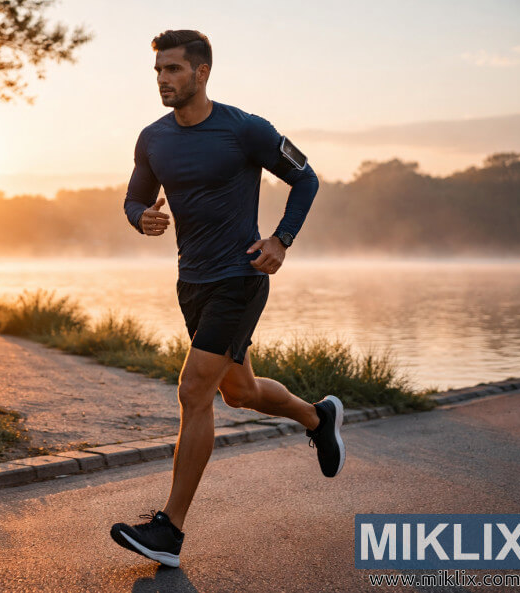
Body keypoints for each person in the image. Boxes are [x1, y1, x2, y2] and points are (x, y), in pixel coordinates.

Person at [110, 29, 345, 569]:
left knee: (195, 391)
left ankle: (168, 530)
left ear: (201, 72)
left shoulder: (245, 130)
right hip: (190, 281)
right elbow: (135, 195)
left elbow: (306, 179)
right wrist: (139, 217)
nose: (164, 79)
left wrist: (281, 239)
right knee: (239, 392)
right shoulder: (152, 138)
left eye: (173, 69)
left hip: (240, 277)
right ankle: (319, 417)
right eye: (158, 71)